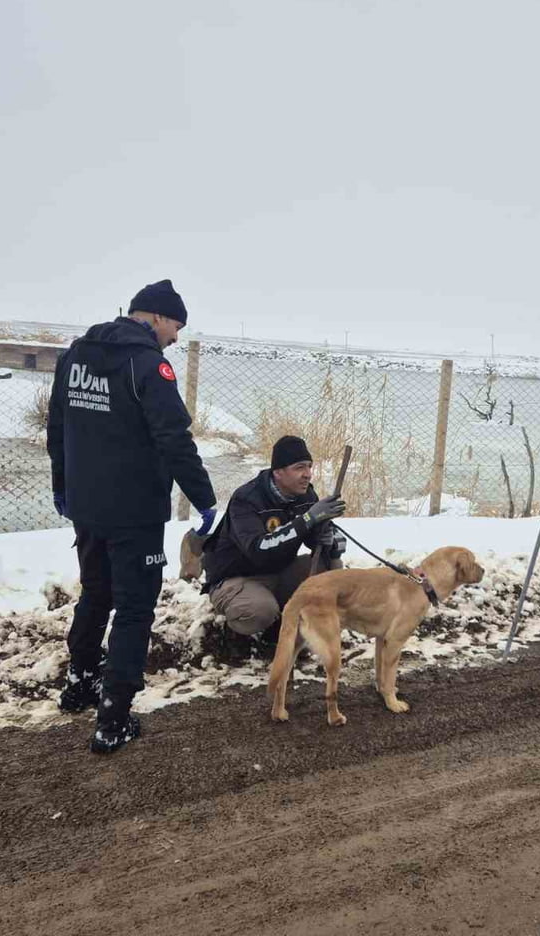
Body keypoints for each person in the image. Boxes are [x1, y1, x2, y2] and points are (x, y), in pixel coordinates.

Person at [46, 279, 216, 754]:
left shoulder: (76, 355)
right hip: (134, 511)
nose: (176, 338)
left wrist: (63, 487)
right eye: (176, 327)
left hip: (86, 505)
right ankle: (113, 719)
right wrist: (204, 499)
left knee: (95, 593)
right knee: (135, 608)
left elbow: (57, 427)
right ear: (156, 318)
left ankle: (79, 684)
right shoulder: (148, 365)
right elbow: (174, 439)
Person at [202, 435, 347, 650]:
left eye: (309, 466)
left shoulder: (306, 495)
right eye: (299, 468)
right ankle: (240, 634)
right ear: (278, 472)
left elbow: (311, 538)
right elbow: (259, 549)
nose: (307, 474)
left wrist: (328, 539)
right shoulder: (247, 499)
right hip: (237, 578)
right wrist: (307, 519)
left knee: (329, 573)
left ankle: (282, 629)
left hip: (279, 571)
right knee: (259, 611)